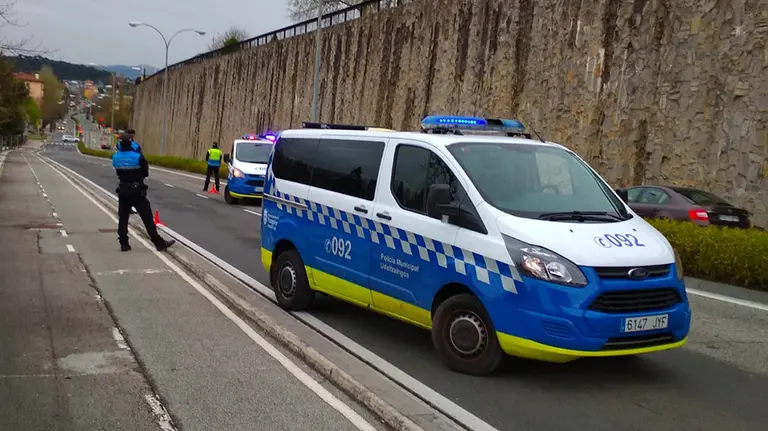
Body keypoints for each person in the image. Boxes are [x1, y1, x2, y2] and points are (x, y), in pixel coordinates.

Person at [112, 133, 175, 252]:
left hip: (123, 190)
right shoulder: (138, 157)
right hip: (137, 191)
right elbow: (145, 173)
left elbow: (117, 172)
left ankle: (124, 243)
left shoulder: (115, 157)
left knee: (123, 218)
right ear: (130, 143)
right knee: (147, 217)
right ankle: (158, 243)